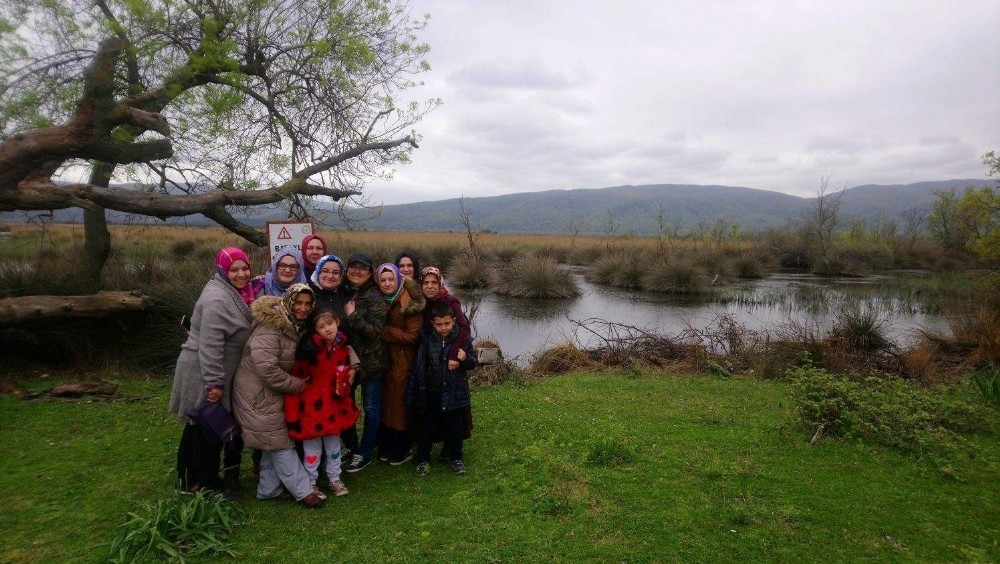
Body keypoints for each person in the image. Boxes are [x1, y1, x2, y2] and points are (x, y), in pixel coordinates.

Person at [169, 247, 255, 500]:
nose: (241, 274)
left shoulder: (229, 291)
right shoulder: (218, 300)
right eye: (234, 269)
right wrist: (214, 383)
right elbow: (211, 345)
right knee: (207, 429)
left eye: (244, 268)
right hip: (203, 371)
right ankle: (207, 484)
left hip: (207, 368)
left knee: (196, 425)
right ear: (222, 270)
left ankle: (188, 479)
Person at [231, 284, 326, 508]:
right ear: (289, 301)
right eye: (298, 303)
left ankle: (268, 489)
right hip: (256, 395)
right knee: (281, 443)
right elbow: (267, 369)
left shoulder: (294, 325)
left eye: (307, 304)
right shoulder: (271, 327)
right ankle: (304, 491)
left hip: (269, 393)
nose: (302, 308)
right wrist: (296, 385)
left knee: (272, 441)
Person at [285, 306, 360, 499]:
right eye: (321, 326)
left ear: (337, 322)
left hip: (335, 405)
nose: (328, 329)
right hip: (313, 408)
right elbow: (297, 380)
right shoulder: (308, 352)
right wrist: (293, 413)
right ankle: (311, 482)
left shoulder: (343, 347)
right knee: (312, 449)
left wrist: (350, 374)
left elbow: (346, 368)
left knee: (334, 446)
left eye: (330, 323)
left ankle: (334, 478)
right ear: (314, 330)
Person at [406, 302, 478, 477]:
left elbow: (473, 363)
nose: (443, 328)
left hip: (455, 392)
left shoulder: (462, 340)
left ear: (454, 321)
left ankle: (456, 458)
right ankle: (423, 459)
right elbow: (418, 366)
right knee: (428, 427)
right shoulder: (426, 340)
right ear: (432, 324)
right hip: (432, 392)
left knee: (455, 428)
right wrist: (411, 393)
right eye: (439, 324)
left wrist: (464, 358)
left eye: (447, 323)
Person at [340, 252, 389, 473]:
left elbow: (375, 331)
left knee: (371, 406)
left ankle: (365, 452)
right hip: (345, 361)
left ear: (370, 273)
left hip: (371, 362)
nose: (357, 272)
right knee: (346, 405)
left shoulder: (375, 297)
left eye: (363, 268)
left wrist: (352, 316)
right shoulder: (342, 291)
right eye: (353, 267)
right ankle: (351, 446)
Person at [376, 263, 425, 465]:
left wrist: (384, 331)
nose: (387, 283)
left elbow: (413, 336)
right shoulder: (382, 300)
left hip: (403, 359)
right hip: (387, 359)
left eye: (391, 279)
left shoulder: (407, 301)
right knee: (386, 403)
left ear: (398, 279)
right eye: (383, 280)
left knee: (398, 406)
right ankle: (386, 446)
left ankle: (401, 449)